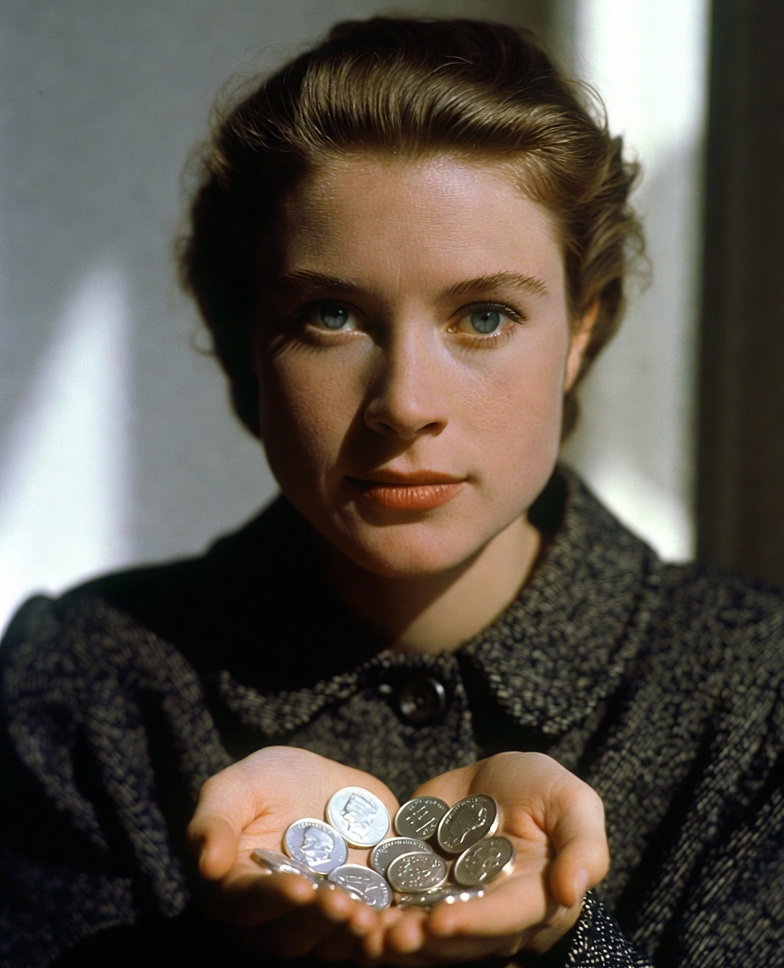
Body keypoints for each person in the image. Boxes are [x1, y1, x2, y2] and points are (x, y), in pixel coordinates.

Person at [1, 15, 782, 968]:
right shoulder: (82, 687)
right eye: (331, 315)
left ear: (581, 332)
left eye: (484, 316)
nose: (406, 403)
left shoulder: (758, 694)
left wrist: (572, 941)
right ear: (247, 336)